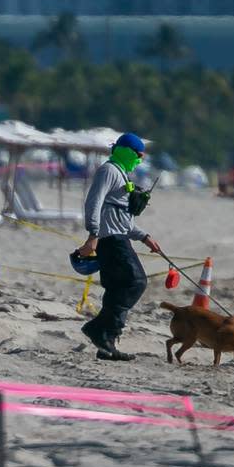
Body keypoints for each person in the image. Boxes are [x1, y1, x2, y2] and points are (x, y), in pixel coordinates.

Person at [76, 132, 162, 361]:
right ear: (126, 151)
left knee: (116, 288)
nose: (140, 159)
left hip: (118, 236)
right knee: (136, 281)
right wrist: (93, 234)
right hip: (110, 240)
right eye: (138, 154)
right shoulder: (109, 170)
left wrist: (144, 237)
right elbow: (93, 201)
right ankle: (98, 329)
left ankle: (107, 344)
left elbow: (123, 220)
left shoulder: (122, 175)